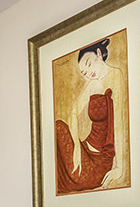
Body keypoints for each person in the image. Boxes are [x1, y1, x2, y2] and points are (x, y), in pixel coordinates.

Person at [53, 37, 126, 194]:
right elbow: (73, 112)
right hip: (85, 150)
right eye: (84, 73)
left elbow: (118, 125)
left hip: (100, 162)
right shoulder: (92, 84)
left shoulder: (116, 75)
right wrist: (77, 148)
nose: (89, 73)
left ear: (98, 53)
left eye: (88, 63)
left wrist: (119, 167)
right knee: (58, 127)